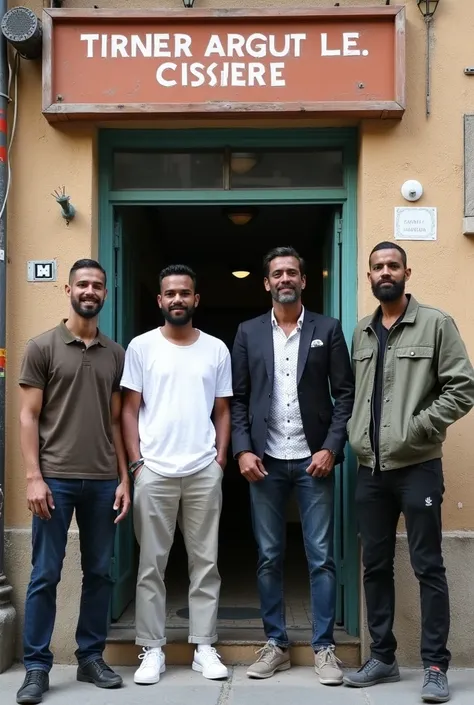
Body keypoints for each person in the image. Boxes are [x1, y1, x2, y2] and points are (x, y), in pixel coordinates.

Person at [343, 242, 474, 702]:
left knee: (427, 566)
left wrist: (419, 427)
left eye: (392, 265)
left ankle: (435, 664)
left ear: (406, 272)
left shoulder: (436, 323)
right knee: (375, 566)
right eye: (377, 266)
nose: (385, 272)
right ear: (369, 276)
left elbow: (462, 388)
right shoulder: (361, 331)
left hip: (417, 466)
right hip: (370, 470)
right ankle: (382, 657)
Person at [231, 246, 354, 684]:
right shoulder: (247, 332)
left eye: (292, 273)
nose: (284, 279)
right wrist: (242, 449)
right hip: (264, 462)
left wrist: (332, 448)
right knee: (268, 556)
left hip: (312, 461)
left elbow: (345, 396)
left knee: (320, 557)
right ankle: (276, 644)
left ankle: (324, 649)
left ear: (303, 280)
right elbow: (239, 398)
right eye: (277, 273)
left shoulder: (328, 329)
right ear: (266, 283)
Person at [16, 259, 130, 704]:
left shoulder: (115, 353)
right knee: (45, 573)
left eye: (97, 284)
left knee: (99, 573)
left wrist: (124, 479)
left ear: (105, 293)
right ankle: (37, 667)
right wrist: (33, 477)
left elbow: (118, 421)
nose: (89, 290)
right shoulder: (42, 347)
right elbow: (27, 416)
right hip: (55, 481)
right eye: (82, 283)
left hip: (103, 480)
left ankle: (90, 657)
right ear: (68, 288)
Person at [121, 264, 232, 685]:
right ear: (160, 300)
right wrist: (137, 464)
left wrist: (220, 461)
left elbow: (223, 410)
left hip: (203, 469)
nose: (177, 300)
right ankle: (152, 649)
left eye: (184, 293)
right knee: (151, 564)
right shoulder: (141, 347)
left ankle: (204, 645)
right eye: (170, 294)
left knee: (206, 562)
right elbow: (129, 409)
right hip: (155, 470)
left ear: (196, 299)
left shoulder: (216, 349)